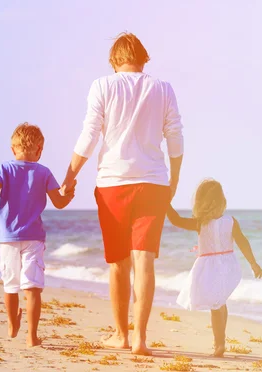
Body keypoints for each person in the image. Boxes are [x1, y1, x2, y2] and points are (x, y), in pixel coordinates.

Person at [60, 32, 184, 355]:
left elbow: (88, 136)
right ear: (143, 59)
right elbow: (175, 138)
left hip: (113, 184)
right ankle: (141, 339)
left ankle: (121, 335)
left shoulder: (102, 86)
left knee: (118, 262)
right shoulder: (163, 88)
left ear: (114, 60)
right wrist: (174, 182)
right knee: (145, 261)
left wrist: (69, 177)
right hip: (153, 183)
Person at [0, 122, 75, 347]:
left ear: (13, 149)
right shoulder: (44, 172)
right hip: (34, 238)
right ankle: (32, 337)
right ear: (40, 149)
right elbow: (59, 203)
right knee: (32, 288)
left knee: (10, 285)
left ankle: (12, 325)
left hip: (7, 238)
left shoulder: (4, 169)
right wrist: (69, 194)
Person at [166, 179, 262, 357]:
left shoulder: (199, 222)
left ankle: (219, 344)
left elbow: (176, 220)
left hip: (210, 268)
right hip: (228, 265)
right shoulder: (230, 221)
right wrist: (253, 263)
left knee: (216, 305)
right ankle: (221, 341)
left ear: (200, 201)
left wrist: (165, 202)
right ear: (222, 200)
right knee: (220, 302)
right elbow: (242, 241)